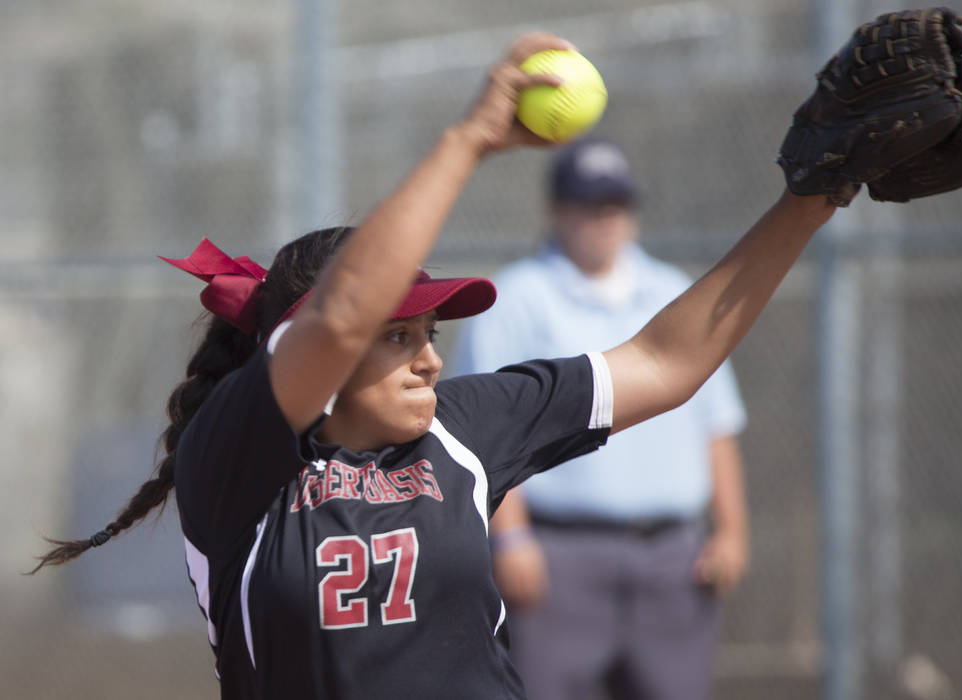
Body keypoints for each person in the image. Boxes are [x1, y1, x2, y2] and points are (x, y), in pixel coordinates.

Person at [28, 31, 839, 700]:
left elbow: (667, 362)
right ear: (317, 353)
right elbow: (342, 317)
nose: (430, 359)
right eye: (400, 336)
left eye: (428, 332)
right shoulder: (239, 460)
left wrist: (814, 196)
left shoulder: (461, 429)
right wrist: (469, 140)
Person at [451, 136, 750, 700]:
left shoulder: (670, 289)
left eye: (616, 204)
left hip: (673, 558)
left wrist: (731, 531)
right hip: (560, 558)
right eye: (589, 205)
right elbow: (487, 436)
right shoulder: (517, 297)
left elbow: (717, 423)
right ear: (555, 211)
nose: (605, 219)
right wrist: (510, 538)